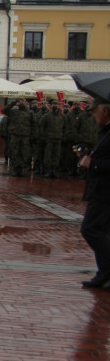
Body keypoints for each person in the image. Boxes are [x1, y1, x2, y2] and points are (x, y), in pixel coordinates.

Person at [78, 98, 110, 289]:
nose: (92, 114)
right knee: (102, 230)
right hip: (100, 188)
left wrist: (94, 163)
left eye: (95, 111)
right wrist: (87, 155)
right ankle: (103, 274)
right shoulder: (106, 130)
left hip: (105, 191)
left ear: (105, 112)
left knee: (90, 229)